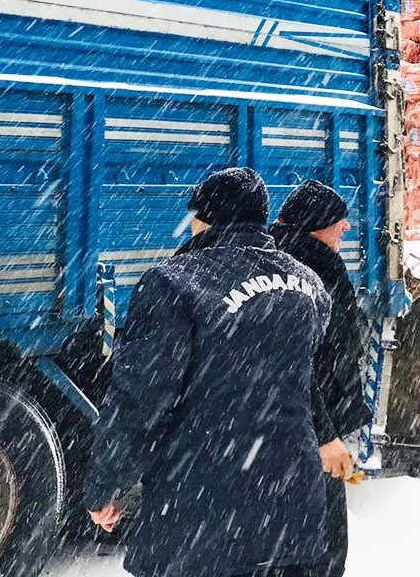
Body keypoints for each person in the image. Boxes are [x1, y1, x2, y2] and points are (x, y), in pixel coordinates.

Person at [83, 167, 332, 577]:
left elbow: (141, 397)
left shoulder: (174, 283)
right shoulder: (307, 283)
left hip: (203, 511)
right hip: (292, 506)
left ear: (204, 218)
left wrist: (107, 483)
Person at [267, 180, 372, 577]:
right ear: (316, 224)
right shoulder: (310, 272)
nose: (346, 227)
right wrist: (327, 435)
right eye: (337, 219)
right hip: (309, 431)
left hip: (297, 429)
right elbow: (297, 365)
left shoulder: (289, 260)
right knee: (321, 550)